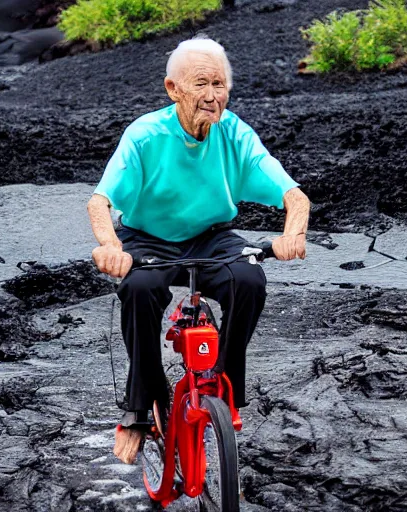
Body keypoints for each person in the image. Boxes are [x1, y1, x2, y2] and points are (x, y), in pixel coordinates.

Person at [87, 36, 310, 464]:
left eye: (220, 84)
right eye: (201, 84)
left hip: (212, 235)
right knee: (139, 290)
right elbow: (100, 201)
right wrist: (111, 247)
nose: (212, 96)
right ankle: (140, 408)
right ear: (173, 89)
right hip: (147, 238)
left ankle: (225, 386)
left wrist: (292, 234)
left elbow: (294, 196)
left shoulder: (234, 131)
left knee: (248, 278)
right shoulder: (145, 135)